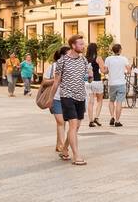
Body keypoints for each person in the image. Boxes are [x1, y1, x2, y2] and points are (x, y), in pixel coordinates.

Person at [53, 34, 92, 165]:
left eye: (83, 43)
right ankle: (76, 156)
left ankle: (65, 148)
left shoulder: (83, 61)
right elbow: (57, 81)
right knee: (73, 125)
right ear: (73, 46)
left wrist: (90, 76)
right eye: (80, 44)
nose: (83, 46)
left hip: (81, 96)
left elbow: (86, 78)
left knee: (77, 126)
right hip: (67, 95)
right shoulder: (62, 61)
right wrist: (50, 97)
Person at [44, 45, 69, 155]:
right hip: (55, 97)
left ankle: (59, 144)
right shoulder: (53, 66)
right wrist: (57, 79)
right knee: (60, 122)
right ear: (63, 55)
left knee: (64, 122)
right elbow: (44, 82)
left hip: (67, 97)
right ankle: (63, 147)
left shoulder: (72, 67)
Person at [104, 43, 131, 127]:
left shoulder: (108, 59)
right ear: (120, 50)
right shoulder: (124, 59)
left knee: (111, 101)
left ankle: (112, 117)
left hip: (112, 83)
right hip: (121, 83)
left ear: (112, 50)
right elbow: (129, 71)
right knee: (119, 102)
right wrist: (125, 72)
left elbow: (106, 70)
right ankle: (117, 121)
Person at [84, 42, 105, 128]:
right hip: (97, 81)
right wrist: (107, 69)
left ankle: (90, 121)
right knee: (100, 100)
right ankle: (96, 117)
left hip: (88, 82)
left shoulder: (84, 59)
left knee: (90, 102)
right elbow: (103, 71)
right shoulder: (98, 58)